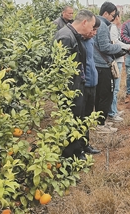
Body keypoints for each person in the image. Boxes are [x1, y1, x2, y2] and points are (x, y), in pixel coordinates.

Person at [54, 9, 98, 160]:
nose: (92, 30)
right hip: (71, 89)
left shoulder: (72, 35)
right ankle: (70, 157)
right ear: (84, 22)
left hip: (78, 86)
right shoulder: (66, 37)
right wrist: (72, 91)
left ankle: (79, 149)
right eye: (92, 26)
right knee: (71, 121)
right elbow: (62, 69)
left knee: (79, 118)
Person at [93, 1, 124, 133]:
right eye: (112, 15)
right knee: (106, 95)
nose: (113, 18)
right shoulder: (103, 26)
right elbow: (105, 47)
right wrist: (118, 46)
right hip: (102, 66)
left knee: (99, 95)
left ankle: (99, 122)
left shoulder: (96, 23)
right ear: (105, 13)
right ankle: (101, 125)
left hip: (97, 65)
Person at [80, 16, 102, 155]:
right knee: (80, 117)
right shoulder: (79, 41)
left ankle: (85, 144)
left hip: (92, 83)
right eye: (93, 29)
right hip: (84, 84)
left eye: (96, 30)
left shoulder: (90, 40)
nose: (94, 33)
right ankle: (78, 149)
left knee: (87, 116)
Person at [108, 11, 130, 122]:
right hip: (116, 60)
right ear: (117, 17)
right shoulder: (112, 28)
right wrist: (127, 46)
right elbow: (115, 42)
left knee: (116, 87)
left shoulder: (116, 28)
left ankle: (114, 110)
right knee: (115, 88)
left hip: (118, 59)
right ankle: (112, 113)